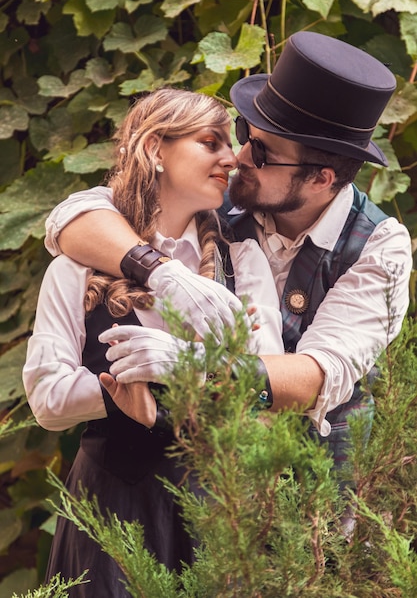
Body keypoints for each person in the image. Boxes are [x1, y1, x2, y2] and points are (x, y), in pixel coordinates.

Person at [43, 32, 412, 480]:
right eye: (244, 133)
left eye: (261, 151)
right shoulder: (214, 196)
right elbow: (74, 216)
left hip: (315, 504)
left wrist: (188, 367)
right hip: (198, 484)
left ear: (320, 179)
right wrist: (161, 273)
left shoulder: (379, 247)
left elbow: (318, 376)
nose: (238, 158)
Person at [23, 88, 284, 597]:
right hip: (110, 511)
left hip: (217, 504)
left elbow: (265, 392)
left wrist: (175, 372)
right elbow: (47, 397)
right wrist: (117, 389)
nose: (231, 157)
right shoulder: (75, 266)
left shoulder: (243, 260)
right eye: (211, 142)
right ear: (154, 150)